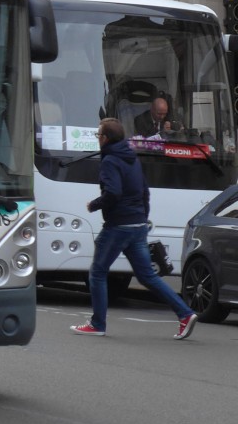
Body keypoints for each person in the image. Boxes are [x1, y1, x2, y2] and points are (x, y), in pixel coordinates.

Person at [71, 118, 197, 339]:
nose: (97, 139)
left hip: (119, 226)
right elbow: (145, 191)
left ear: (105, 138)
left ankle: (97, 324)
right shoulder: (131, 157)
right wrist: (142, 217)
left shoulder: (110, 160)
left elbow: (113, 193)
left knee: (98, 273)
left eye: (98, 135)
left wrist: (94, 205)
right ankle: (185, 313)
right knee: (147, 276)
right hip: (137, 224)